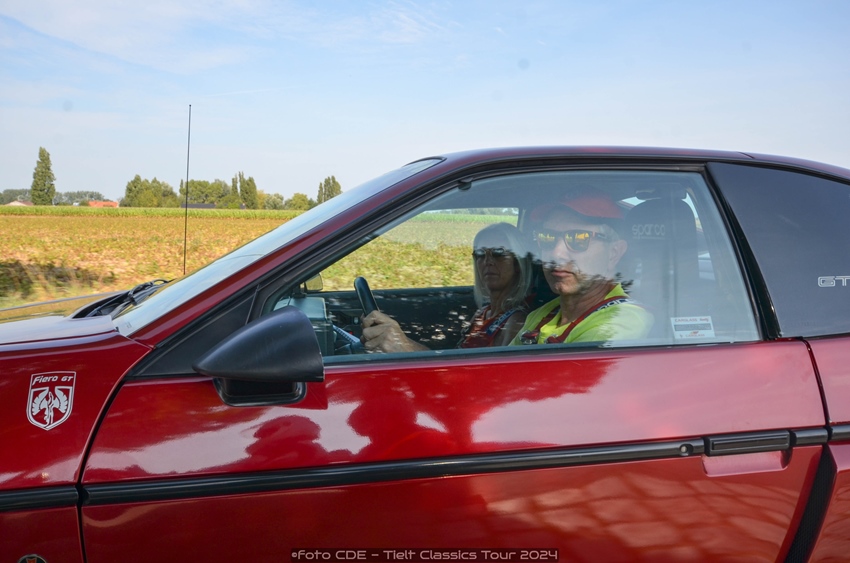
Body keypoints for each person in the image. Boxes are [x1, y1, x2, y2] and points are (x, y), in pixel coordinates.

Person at [362, 223, 532, 352]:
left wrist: (403, 345)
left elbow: (483, 378)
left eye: (498, 253)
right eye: (480, 253)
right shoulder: (483, 313)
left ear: (518, 263)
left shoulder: (516, 322)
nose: (488, 261)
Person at [511, 189, 652, 345]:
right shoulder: (544, 313)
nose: (557, 253)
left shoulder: (623, 320)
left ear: (614, 253)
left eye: (578, 239)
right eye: (547, 237)